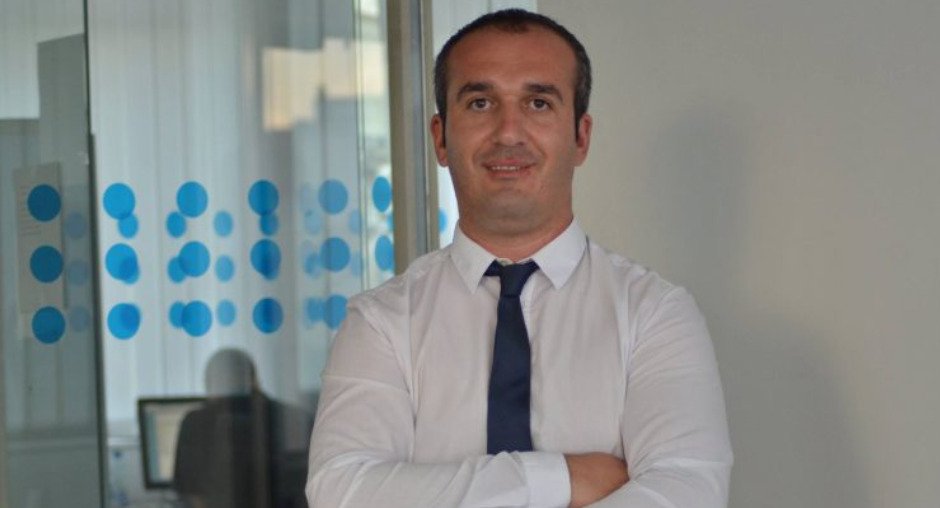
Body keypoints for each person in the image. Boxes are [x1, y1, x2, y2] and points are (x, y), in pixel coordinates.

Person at [306, 9, 732, 508]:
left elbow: (688, 491)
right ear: (440, 138)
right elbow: (342, 492)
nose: (508, 132)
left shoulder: (654, 314)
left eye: (538, 103)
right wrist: (563, 478)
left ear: (580, 137)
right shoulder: (381, 321)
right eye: (481, 102)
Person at [173, 348, 312, 508]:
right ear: (254, 381)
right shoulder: (294, 419)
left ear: (210, 385)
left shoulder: (195, 423)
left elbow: (190, 495)